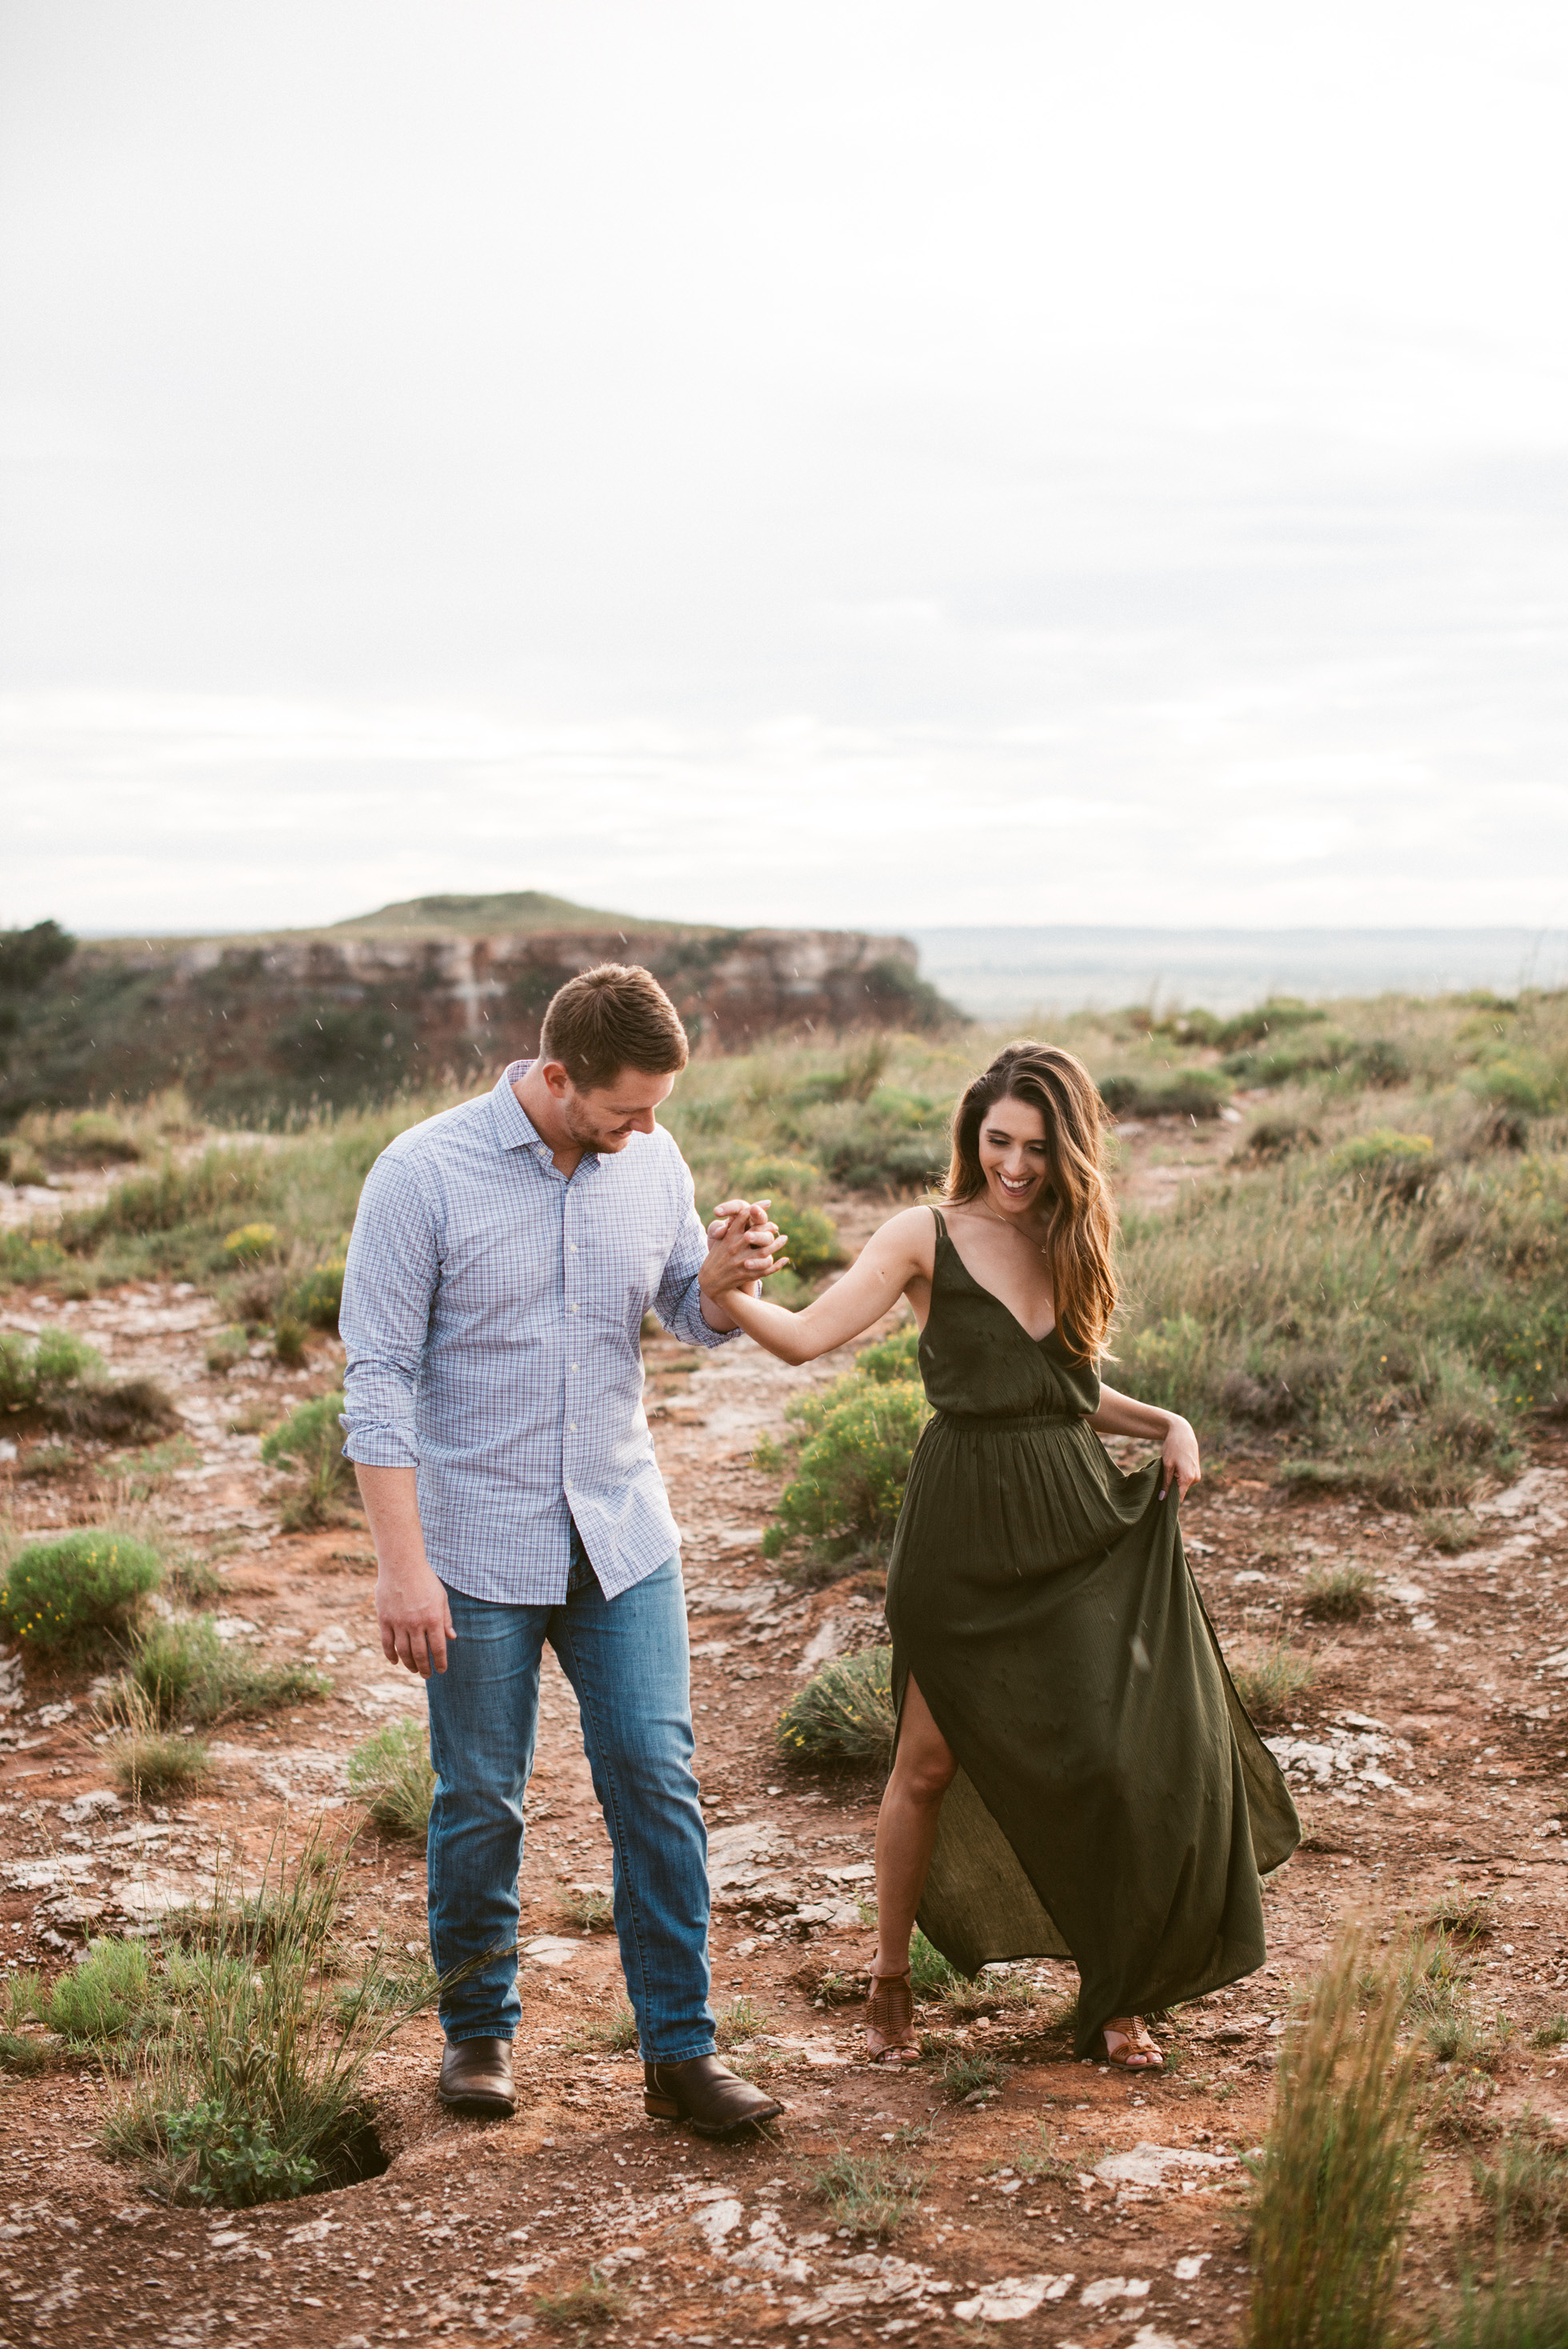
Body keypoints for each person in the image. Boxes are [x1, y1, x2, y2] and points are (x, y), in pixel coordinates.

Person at [703, 1040, 1299, 2071]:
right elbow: (802, 1338)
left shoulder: (1071, 1239)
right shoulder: (922, 1235)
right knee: (926, 1765)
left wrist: (1168, 1422)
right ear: (971, 1136)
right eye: (998, 1142)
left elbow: (1066, 1390)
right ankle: (890, 1979)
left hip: (1072, 1523)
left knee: (1114, 1759)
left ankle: (1118, 1994)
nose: (1015, 1166)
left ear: (1069, 1151)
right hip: (963, 1533)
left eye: (1036, 1147)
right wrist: (724, 1294)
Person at [339, 962, 785, 2137]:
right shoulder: (421, 1173)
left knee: (657, 1779)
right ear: (555, 1076)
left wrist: (722, 1280)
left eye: (657, 1110)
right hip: (475, 1545)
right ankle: (478, 2031)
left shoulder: (654, 1159)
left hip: (622, 1534)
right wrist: (401, 1567)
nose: (646, 1132)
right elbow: (378, 1382)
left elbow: (684, 1313)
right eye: (626, 1110)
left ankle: (681, 2052)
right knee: (481, 1799)